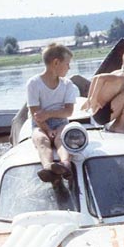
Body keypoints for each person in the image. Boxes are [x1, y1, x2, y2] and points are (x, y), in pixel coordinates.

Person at [27, 44, 79, 183]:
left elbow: (69, 111)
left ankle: (66, 164)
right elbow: (36, 115)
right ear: (56, 62)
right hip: (40, 124)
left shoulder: (67, 84)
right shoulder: (34, 83)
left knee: (61, 139)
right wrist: (47, 129)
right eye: (67, 64)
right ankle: (48, 168)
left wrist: (49, 114)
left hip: (61, 122)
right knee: (41, 140)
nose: (69, 68)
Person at [82, 47, 124, 134]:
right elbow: (99, 78)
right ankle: (120, 126)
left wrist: (89, 99)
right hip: (101, 116)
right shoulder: (121, 77)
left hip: (100, 114)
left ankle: (120, 124)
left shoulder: (119, 74)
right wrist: (93, 98)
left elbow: (95, 78)